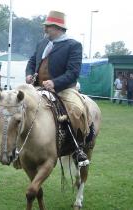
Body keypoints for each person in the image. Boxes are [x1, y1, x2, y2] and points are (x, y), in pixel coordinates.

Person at [25, 11, 91, 166]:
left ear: (58, 28)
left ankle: (78, 147)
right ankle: (18, 147)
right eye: (46, 26)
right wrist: (29, 74)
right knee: (16, 106)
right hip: (38, 87)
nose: (45, 29)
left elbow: (73, 72)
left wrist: (55, 83)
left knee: (75, 110)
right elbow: (31, 61)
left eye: (48, 26)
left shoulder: (73, 45)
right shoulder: (42, 43)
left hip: (64, 89)